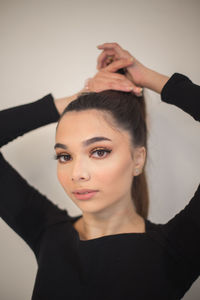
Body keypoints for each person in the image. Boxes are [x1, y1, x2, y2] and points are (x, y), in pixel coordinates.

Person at [0, 43, 199, 300]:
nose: (77, 174)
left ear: (138, 159)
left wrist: (147, 78)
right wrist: (81, 98)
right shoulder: (48, 233)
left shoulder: (178, 248)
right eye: (65, 156)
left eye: (99, 151)